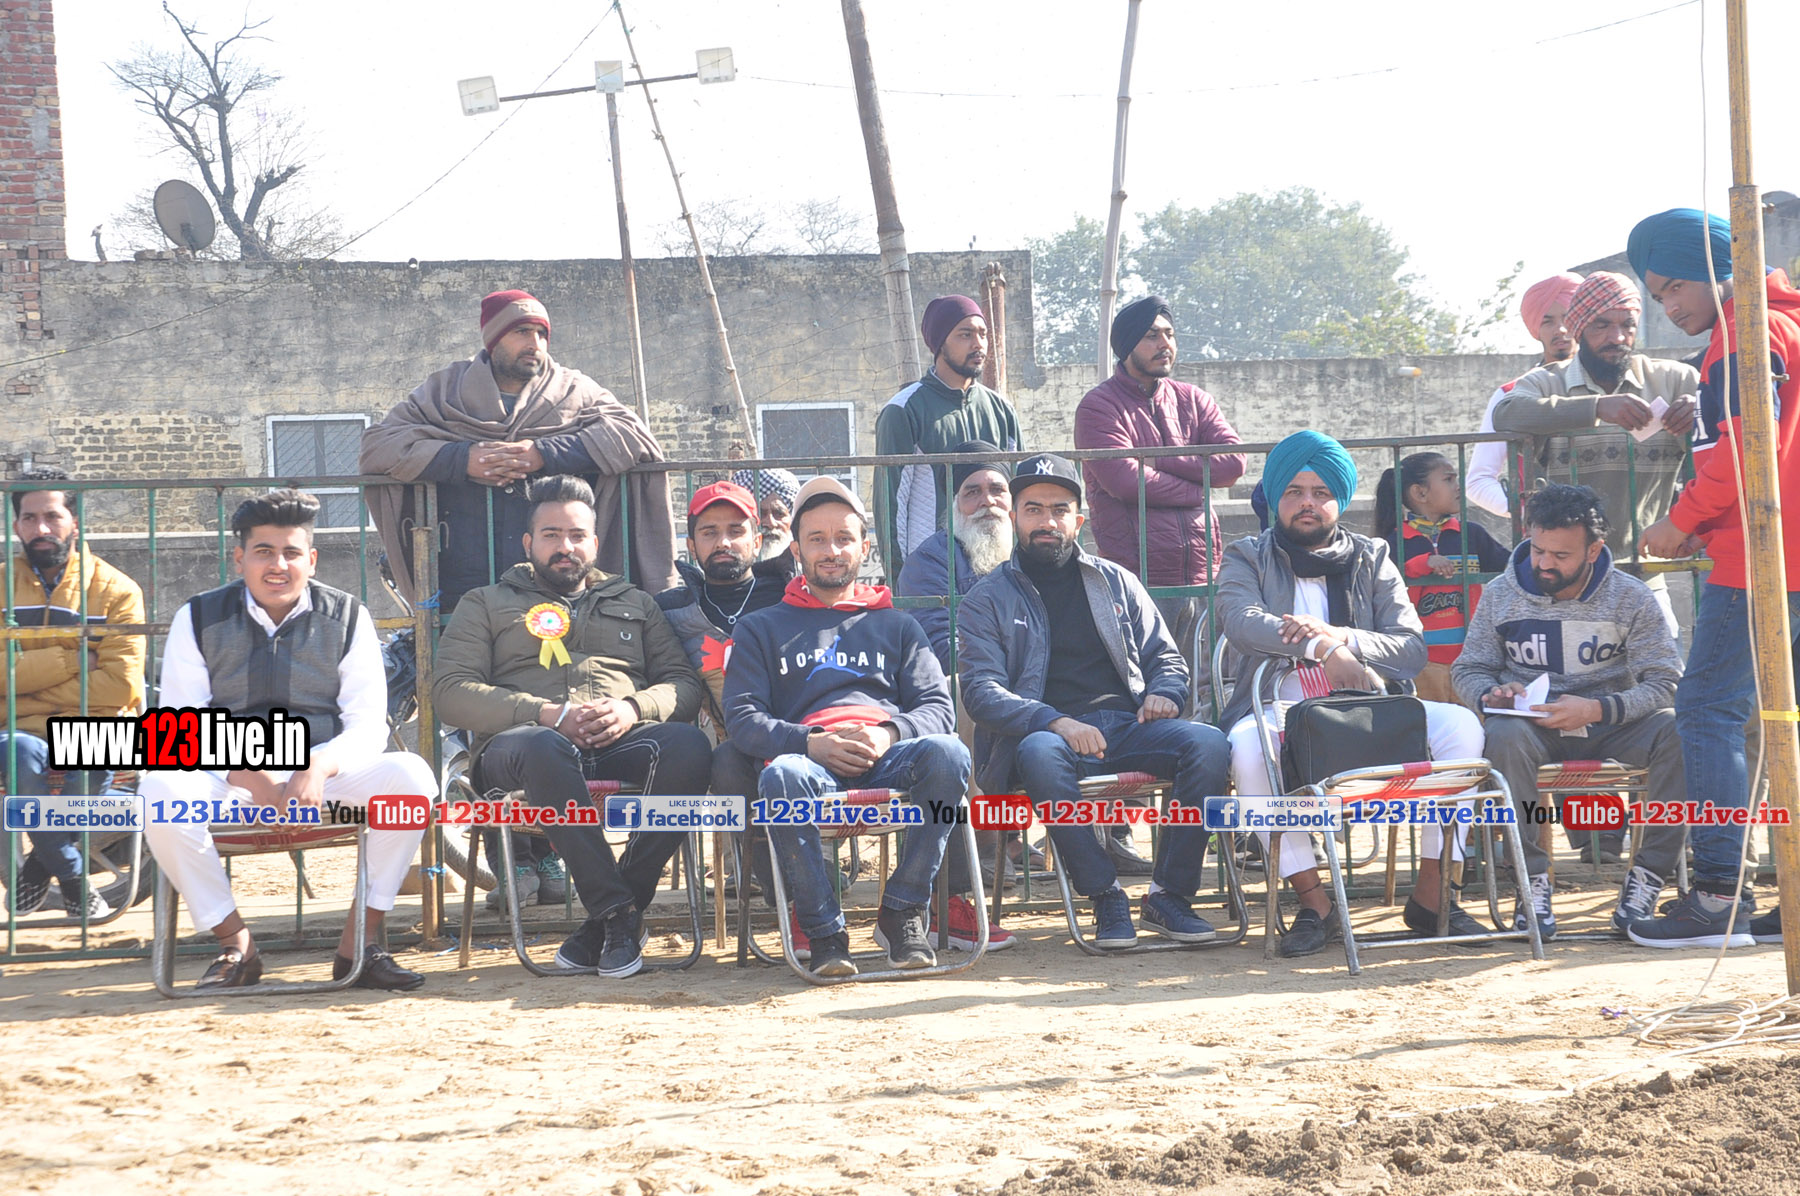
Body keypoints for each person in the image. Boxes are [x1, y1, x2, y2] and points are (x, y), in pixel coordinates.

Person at [140, 490, 434, 991]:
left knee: (412, 778)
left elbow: (367, 725)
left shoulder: (347, 615)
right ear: (240, 558)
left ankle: (359, 947)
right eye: (264, 552)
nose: (278, 565)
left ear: (311, 559)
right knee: (159, 792)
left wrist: (316, 768)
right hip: (229, 778)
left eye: (292, 553)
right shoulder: (200, 616)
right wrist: (253, 778)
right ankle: (237, 947)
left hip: (320, 779)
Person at [1216, 431, 1486, 958]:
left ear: (1339, 499)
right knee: (1247, 749)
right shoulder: (1247, 555)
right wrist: (1321, 648)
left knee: (1463, 728)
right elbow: (1242, 622)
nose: (1307, 503)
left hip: (1371, 708)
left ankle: (1432, 896)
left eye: (1320, 492)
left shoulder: (1373, 556)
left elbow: (1410, 648)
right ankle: (1315, 904)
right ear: (1276, 497)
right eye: (1294, 491)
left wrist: (1343, 637)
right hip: (1280, 707)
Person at [433, 476, 709, 979]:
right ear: (528, 543)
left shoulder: (637, 603)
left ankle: (609, 919)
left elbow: (684, 685)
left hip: (616, 741)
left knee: (688, 745)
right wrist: (545, 714)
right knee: (545, 746)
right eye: (552, 535)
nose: (566, 546)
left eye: (577, 535)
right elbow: (450, 691)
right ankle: (619, 912)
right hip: (520, 752)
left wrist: (633, 708)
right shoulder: (486, 603)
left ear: (595, 543)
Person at [958, 453, 1232, 950]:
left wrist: (1165, 693)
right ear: (1015, 517)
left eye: (1059, 510)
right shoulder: (987, 597)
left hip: (1128, 727)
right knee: (1041, 754)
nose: (1047, 521)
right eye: (1034, 509)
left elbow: (1166, 658)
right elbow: (981, 691)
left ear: (1078, 521)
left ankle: (1168, 897)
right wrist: (1055, 721)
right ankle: (1105, 895)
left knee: (1209, 744)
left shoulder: (1116, 581)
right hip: (1043, 738)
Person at [1627, 208, 1800, 949]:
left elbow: (1742, 452)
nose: (1669, 308)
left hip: (1763, 558)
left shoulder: (1743, 335)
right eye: (1658, 296)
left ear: (1715, 269)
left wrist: (1679, 521)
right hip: (1780, 550)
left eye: (1674, 288)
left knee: (1704, 711)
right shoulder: (1782, 323)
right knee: (1780, 723)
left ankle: (1716, 894)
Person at [724, 477, 970, 977]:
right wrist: (810, 744)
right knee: (780, 777)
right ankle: (824, 931)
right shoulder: (760, 627)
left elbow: (937, 708)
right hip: (810, 766)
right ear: (796, 549)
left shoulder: (898, 625)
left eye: (843, 538)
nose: (831, 550)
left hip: (890, 759)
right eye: (817, 539)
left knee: (950, 755)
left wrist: (888, 733)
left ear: (865, 547)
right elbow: (743, 719)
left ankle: (903, 910)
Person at [1452, 485, 1687, 938]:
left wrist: (1597, 709)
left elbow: (1666, 682)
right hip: (1533, 728)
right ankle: (1530, 882)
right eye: (1537, 550)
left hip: (1614, 723)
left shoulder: (1633, 596)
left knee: (1678, 731)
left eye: (1560, 555)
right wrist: (1492, 695)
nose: (1544, 563)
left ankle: (1648, 877)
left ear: (1594, 550)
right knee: (1502, 735)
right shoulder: (1500, 594)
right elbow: (1470, 668)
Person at [362, 289, 677, 614]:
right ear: (493, 339)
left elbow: (632, 435)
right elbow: (380, 445)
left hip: (560, 578)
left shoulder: (572, 389)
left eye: (542, 334)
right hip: (464, 577)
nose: (535, 343)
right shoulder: (444, 391)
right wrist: (462, 459)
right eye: (522, 332)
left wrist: (544, 453)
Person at [1490, 271, 1699, 634]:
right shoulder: (1547, 381)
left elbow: (1729, 429)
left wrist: (1700, 409)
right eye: (1602, 325)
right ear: (1578, 327)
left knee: (1660, 665)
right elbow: (1505, 414)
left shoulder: (1674, 379)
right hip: (1567, 580)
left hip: (1644, 573)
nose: (1616, 337)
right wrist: (1597, 408)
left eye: (1626, 325)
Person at [893, 442, 1022, 951]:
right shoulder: (928, 562)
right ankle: (954, 888)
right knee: (966, 699)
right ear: (954, 506)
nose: (987, 501)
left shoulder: (1034, 550)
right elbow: (938, 649)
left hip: (1039, 691)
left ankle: (1105, 885)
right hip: (973, 691)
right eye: (972, 492)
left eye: (998, 490)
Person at [1, 467, 146, 917]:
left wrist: (21, 690)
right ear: (16, 525)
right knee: (20, 753)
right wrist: (74, 659)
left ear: (75, 521)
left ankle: (37, 869)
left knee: (92, 751)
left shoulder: (117, 590)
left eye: (52, 516)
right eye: (30, 518)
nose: (41, 528)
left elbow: (119, 685)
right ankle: (73, 878)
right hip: (18, 731)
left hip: (99, 725)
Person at [655, 480, 791, 909]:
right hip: (722, 738)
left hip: (792, 732)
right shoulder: (669, 610)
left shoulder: (789, 595)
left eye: (735, 530)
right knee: (718, 753)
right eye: (709, 532)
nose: (723, 542)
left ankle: (801, 866)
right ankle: (765, 873)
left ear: (757, 539)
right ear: (691, 545)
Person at [1074, 295, 1247, 631]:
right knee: (1147, 666)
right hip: (1138, 582)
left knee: (1205, 665)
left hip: (1203, 578)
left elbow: (1233, 463)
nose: (1164, 344)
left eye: (1170, 334)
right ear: (1126, 346)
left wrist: (1157, 459)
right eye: (1151, 336)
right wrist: (1199, 490)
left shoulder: (1193, 400)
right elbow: (1127, 482)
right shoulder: (1099, 407)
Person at [874, 295, 1021, 577]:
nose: (978, 344)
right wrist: (901, 582)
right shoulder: (903, 410)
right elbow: (890, 506)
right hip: (933, 575)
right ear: (940, 343)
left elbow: (1018, 493)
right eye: (965, 335)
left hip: (998, 573)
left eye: (983, 334)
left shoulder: (1002, 411)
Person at [1371, 452, 1510, 707]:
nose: (1458, 486)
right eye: (1448, 479)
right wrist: (1421, 565)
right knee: (1429, 724)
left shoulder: (1471, 535)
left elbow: (1509, 568)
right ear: (1420, 492)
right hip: (1420, 663)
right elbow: (1382, 587)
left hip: (1470, 660)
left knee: (1476, 723)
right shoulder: (1394, 543)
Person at [1466, 273, 1583, 517]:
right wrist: (1528, 514)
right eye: (1548, 322)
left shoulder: (1613, 385)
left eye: (1568, 318)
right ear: (1536, 328)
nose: (1561, 329)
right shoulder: (1510, 395)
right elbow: (1478, 480)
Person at [732, 467, 801, 570]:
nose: (770, 523)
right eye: (760, 514)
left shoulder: (808, 569)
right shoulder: (727, 568)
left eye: (779, 514)